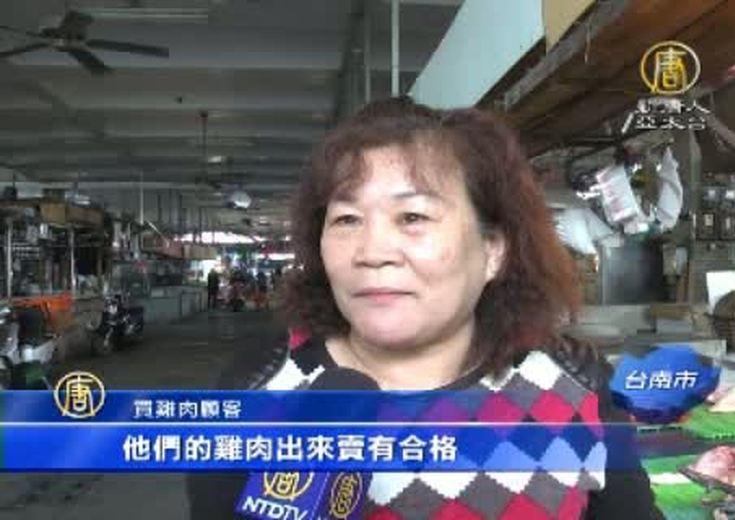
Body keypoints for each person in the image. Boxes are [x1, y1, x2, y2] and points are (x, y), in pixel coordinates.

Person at [187, 97, 663, 519]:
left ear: (493, 250)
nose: (372, 251)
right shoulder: (255, 390)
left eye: (412, 216)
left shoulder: (575, 385)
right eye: (347, 219)